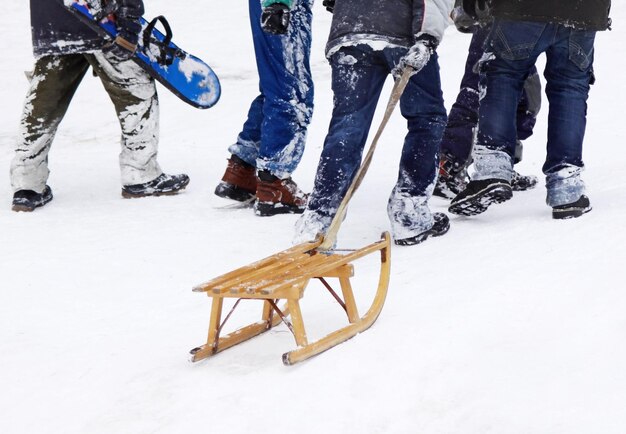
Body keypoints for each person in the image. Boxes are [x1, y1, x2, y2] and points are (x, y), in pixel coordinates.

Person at [293, 0, 454, 246]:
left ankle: (318, 220)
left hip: (350, 30)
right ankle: (408, 211)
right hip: (403, 33)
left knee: (347, 126)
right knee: (427, 117)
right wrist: (427, 37)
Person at [10, 0, 189, 212]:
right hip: (101, 19)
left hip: (52, 20)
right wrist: (129, 18)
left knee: (44, 101)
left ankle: (27, 182)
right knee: (135, 91)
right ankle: (140, 173)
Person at [449, 0, 611, 219]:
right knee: (570, 87)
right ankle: (566, 185)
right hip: (585, 11)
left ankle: (492, 168)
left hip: (522, 8)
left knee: (503, 75)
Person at [213, 0, 313, 216]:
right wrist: (278, 3)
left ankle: (242, 169)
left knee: (277, 84)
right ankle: (274, 183)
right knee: (292, 91)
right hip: (282, 4)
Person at [433, 2, 541, 200]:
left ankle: (501, 165)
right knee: (476, 94)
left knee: (526, 99)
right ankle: (448, 166)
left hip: (526, 23)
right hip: (494, 19)